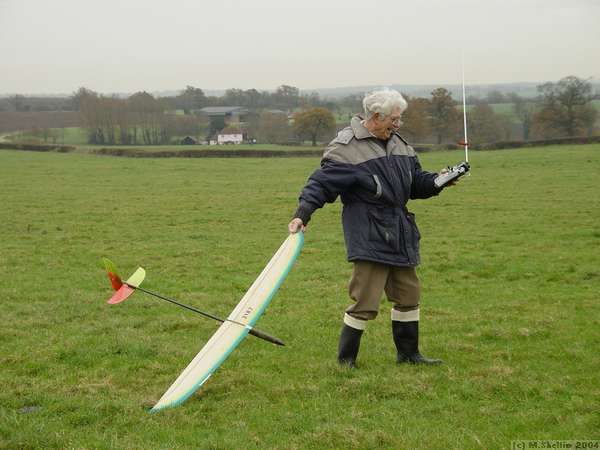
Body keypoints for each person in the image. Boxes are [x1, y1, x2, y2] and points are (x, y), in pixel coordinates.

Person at [288, 88, 457, 367]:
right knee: (365, 299)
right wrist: (302, 214)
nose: (398, 124)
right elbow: (320, 185)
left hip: (400, 229)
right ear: (376, 117)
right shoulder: (345, 148)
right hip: (368, 232)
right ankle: (346, 361)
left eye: (399, 119)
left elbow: (415, 184)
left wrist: (439, 181)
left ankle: (409, 355)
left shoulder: (398, 143)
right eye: (394, 119)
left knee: (408, 294)